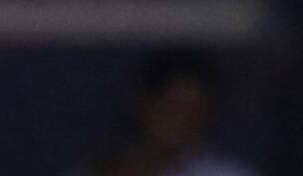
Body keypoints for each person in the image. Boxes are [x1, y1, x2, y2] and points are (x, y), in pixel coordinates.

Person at [79, 51, 256, 176]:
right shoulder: (102, 170)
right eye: (173, 109)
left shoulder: (226, 173)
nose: (182, 122)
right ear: (146, 106)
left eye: (194, 113)